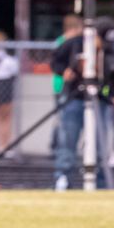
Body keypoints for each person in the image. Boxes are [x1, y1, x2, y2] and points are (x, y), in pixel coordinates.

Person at [51, 17, 114, 191]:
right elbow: (55, 60)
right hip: (75, 98)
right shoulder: (74, 43)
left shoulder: (111, 51)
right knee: (68, 140)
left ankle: (100, 181)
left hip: (101, 101)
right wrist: (64, 71)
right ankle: (63, 177)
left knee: (100, 143)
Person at [50, 14, 83, 154]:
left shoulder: (64, 41)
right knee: (63, 119)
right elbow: (55, 62)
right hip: (62, 86)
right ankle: (56, 146)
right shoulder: (63, 42)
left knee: (63, 118)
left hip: (65, 86)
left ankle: (57, 146)